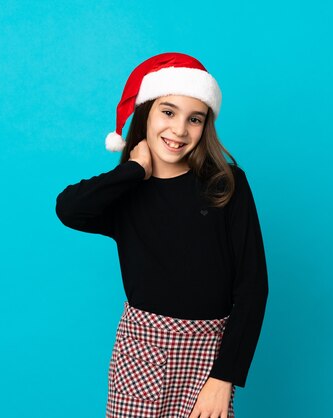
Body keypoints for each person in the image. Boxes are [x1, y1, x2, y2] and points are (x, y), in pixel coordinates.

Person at [55, 52, 269, 418]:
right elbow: (68, 209)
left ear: (206, 126)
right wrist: (133, 171)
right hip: (139, 352)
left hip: (209, 357)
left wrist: (224, 377)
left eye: (195, 119)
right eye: (168, 112)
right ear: (146, 114)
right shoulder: (125, 194)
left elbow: (253, 287)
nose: (180, 130)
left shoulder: (227, 184)